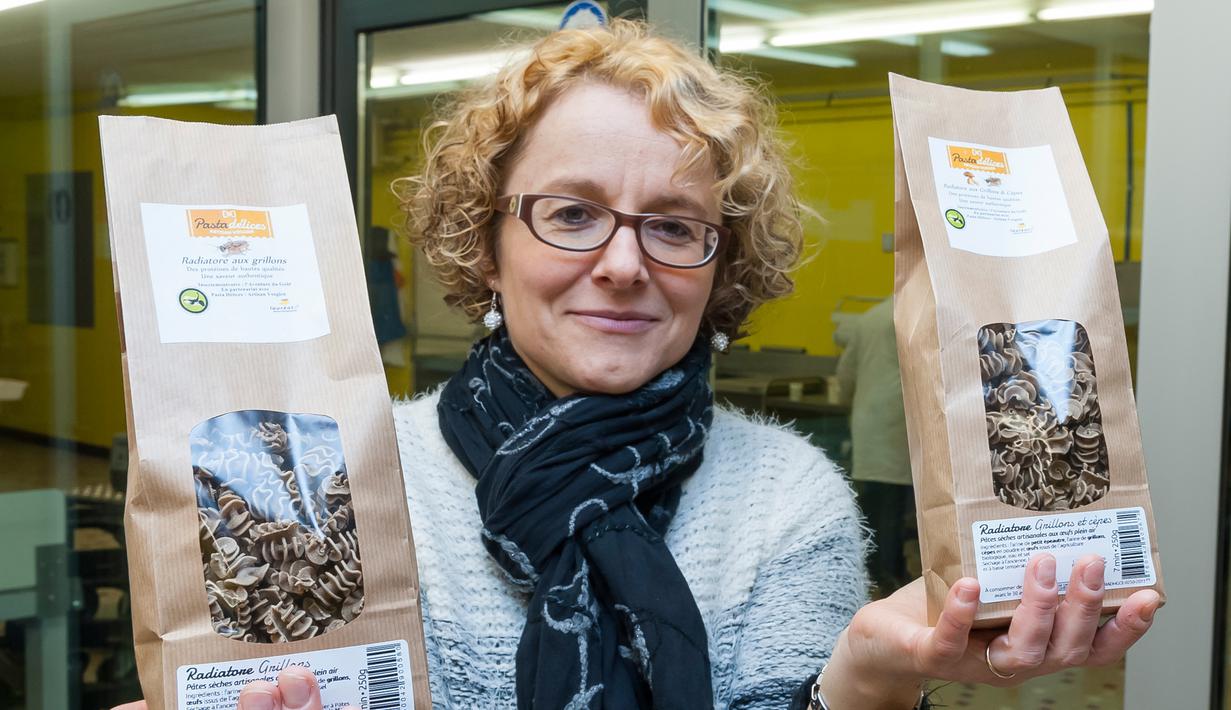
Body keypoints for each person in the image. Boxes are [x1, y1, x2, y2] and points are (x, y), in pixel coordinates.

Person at [114, 18, 1159, 710]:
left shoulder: (785, 498)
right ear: (486, 241)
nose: (621, 264)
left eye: (672, 225)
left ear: (722, 264)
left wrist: (867, 680)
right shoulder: (353, 484)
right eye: (570, 214)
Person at [834, 297, 915, 595]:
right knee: (893, 503)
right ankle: (890, 575)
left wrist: (846, 402)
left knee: (873, 501)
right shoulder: (910, 314)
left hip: (868, 418)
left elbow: (846, 373)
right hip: (897, 418)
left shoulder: (868, 318)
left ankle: (876, 570)